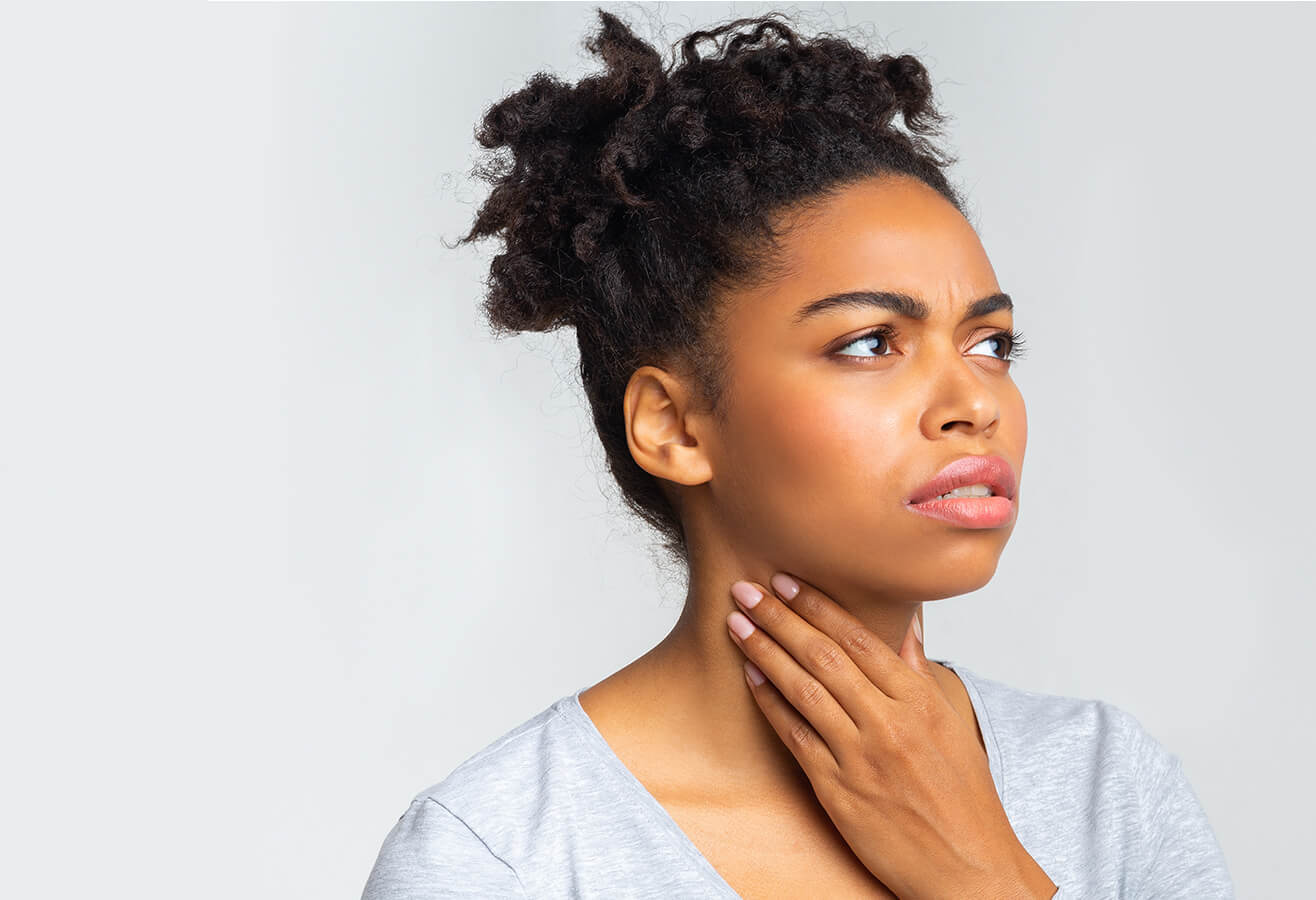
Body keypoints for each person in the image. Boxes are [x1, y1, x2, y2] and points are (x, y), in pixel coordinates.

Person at [360, 7, 1233, 899]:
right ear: (674, 425)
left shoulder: (1108, 791)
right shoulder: (503, 856)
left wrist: (977, 872)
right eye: (869, 343)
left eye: (990, 345)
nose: (977, 403)